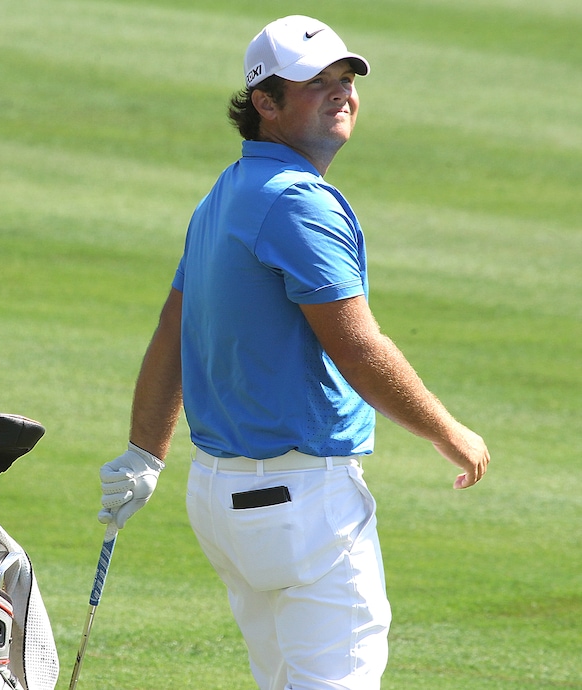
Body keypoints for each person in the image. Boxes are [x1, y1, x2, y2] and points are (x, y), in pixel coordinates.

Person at [97, 16, 490, 690]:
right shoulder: (297, 204)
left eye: (345, 80)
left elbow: (173, 328)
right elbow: (361, 351)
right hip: (301, 505)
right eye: (317, 84)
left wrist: (144, 454)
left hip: (223, 499)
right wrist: (450, 433)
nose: (341, 93)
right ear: (266, 104)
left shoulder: (225, 194)